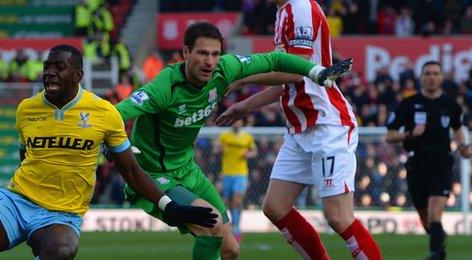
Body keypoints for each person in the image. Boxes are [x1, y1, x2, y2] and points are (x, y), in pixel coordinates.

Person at [0, 45, 218, 260]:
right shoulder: (26, 109)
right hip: (16, 201)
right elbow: (26, 156)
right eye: (47, 66)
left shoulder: (104, 113)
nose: (50, 72)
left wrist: (169, 205)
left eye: (59, 67)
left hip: (62, 213)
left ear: (78, 75)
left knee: (61, 251)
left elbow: (130, 170)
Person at [111, 21, 353, 260]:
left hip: (187, 171)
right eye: (202, 53)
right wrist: (109, 141)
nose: (209, 61)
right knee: (211, 225)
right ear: (186, 53)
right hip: (153, 175)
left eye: (215, 54)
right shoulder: (164, 87)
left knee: (231, 249)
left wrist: (316, 72)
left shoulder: (224, 69)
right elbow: (117, 113)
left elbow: (275, 60)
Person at [215, 1, 382, 259]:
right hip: (299, 129)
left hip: (327, 125)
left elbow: (295, 71)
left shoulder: (300, 7)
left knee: (338, 217)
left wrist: (242, 78)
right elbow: (290, 80)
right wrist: (246, 105)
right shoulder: (283, 11)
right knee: (275, 207)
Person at [386, 61, 471, 260]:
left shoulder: (451, 105)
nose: (432, 77)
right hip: (417, 166)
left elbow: (458, 128)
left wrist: (462, 147)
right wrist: (409, 135)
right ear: (421, 77)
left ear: (442, 77)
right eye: (428, 73)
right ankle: (438, 238)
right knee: (426, 219)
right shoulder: (408, 104)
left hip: (442, 164)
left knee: (435, 212)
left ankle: (436, 255)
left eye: (436, 73)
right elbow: (389, 136)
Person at [214, 119, 256, 242]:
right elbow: (216, 149)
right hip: (227, 173)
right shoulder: (224, 137)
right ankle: (233, 223)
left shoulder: (247, 137)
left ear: (241, 123)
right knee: (229, 201)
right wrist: (220, 150)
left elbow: (254, 151)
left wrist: (248, 154)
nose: (236, 124)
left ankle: (237, 227)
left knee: (237, 200)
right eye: (234, 122)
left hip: (241, 173)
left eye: (238, 122)